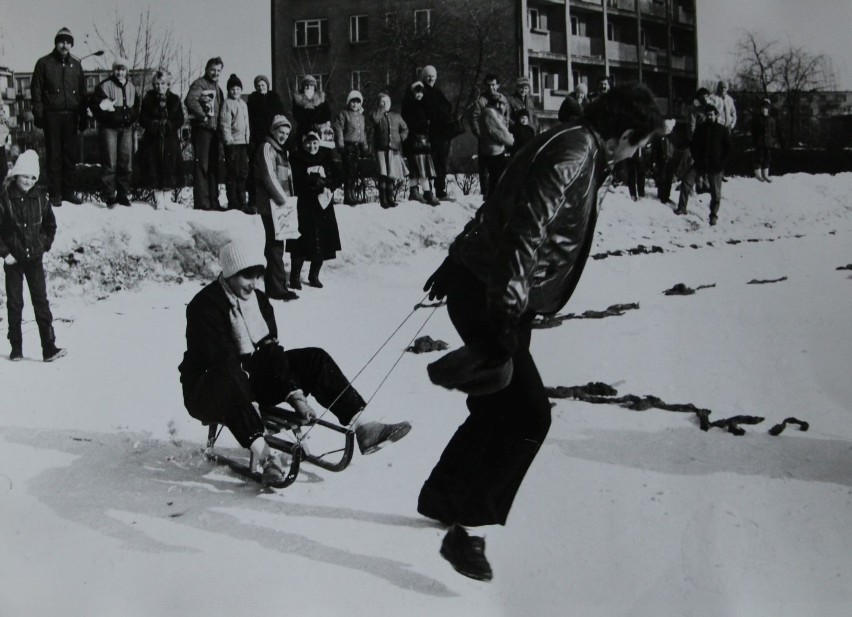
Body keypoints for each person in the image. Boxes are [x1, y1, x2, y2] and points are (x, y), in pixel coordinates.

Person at [416, 84, 664, 581]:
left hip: (492, 286)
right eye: (639, 144)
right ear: (626, 135)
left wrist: (457, 256)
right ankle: (465, 526)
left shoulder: (570, 140)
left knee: (496, 404)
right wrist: (505, 316)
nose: (637, 155)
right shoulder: (575, 151)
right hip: (495, 292)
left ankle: (443, 498)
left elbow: (502, 199)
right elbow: (524, 231)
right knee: (529, 414)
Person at [178, 238, 412, 488]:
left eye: (258, 276)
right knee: (229, 375)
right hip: (208, 388)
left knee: (314, 358)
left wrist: (295, 396)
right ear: (230, 273)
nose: (254, 284)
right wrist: (252, 405)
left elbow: (270, 352)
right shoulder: (204, 306)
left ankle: (364, 426)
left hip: (248, 379)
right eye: (247, 277)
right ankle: (266, 456)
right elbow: (222, 360)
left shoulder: (258, 301)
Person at [0, 150, 66, 362]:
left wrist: (43, 244)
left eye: (32, 177)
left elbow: (50, 225)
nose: (28, 181)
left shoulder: (41, 198)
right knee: (15, 303)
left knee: (41, 301)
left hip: (34, 259)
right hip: (14, 261)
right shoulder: (5, 199)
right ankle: (16, 347)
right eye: (24, 176)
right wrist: (5, 253)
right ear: (16, 175)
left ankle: (49, 346)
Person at [30, 27, 87, 207]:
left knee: (70, 155)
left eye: (68, 42)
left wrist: (83, 115)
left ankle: (69, 192)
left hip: (71, 116)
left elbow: (83, 93)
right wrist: (38, 113)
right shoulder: (44, 63)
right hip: (52, 116)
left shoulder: (76, 65)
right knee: (54, 155)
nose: (65, 45)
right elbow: (36, 90)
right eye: (62, 41)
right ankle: (55, 193)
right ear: (56, 43)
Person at [287, 131, 341, 290]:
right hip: (304, 205)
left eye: (315, 143)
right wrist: (308, 181)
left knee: (322, 240)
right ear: (303, 144)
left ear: (319, 143)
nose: (312, 146)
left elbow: (339, 176)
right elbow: (294, 180)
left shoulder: (326, 156)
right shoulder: (296, 157)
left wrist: (327, 183)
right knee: (301, 239)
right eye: (308, 143)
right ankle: (294, 276)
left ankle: (314, 275)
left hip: (323, 205)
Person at [254, 114, 299, 301]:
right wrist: (283, 200)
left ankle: (277, 284)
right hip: (271, 205)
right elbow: (268, 176)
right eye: (281, 132)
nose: (284, 136)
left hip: (281, 206)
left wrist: (289, 201)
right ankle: (276, 287)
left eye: (286, 133)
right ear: (273, 131)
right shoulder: (267, 148)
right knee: (275, 245)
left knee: (278, 244)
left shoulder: (281, 151)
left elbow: (288, 179)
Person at [91, 57, 139, 208]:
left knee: (126, 162)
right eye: (117, 69)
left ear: (127, 71)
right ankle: (109, 196)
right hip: (109, 129)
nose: (120, 72)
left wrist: (131, 118)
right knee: (110, 163)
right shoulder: (105, 86)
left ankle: (123, 194)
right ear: (113, 70)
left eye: (123, 69)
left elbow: (136, 106)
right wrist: (110, 117)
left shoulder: (131, 87)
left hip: (126, 129)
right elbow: (96, 106)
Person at [138, 69, 185, 210]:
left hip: (170, 140)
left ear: (168, 84)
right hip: (153, 141)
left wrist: (170, 125)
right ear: (154, 85)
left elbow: (180, 119)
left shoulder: (175, 99)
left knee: (169, 167)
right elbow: (142, 118)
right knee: (154, 167)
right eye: (157, 84)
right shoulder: (148, 99)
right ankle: (159, 200)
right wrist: (153, 124)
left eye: (163, 84)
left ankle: (168, 200)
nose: (160, 87)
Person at [676, 105, 731, 225]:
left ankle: (713, 215)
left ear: (716, 115)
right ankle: (681, 208)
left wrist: (721, 164)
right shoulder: (700, 129)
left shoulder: (722, 130)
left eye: (712, 114)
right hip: (700, 163)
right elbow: (693, 145)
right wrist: (697, 158)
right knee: (686, 182)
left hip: (715, 166)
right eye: (708, 115)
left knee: (716, 194)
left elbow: (728, 149)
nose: (710, 116)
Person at [185, 57, 225, 210]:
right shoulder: (200, 83)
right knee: (203, 165)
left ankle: (214, 201)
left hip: (214, 132)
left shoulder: (217, 87)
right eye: (213, 70)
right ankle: (203, 203)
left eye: (218, 70)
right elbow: (190, 100)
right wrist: (203, 115)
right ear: (207, 69)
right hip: (202, 130)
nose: (215, 73)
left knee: (214, 166)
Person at [247, 75, 284, 211]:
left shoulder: (274, 99)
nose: (260, 88)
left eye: (263, 85)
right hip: (257, 138)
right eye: (258, 86)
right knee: (256, 170)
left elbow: (281, 117)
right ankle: (254, 201)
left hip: (272, 137)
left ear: (267, 86)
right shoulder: (252, 100)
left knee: (273, 168)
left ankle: (275, 197)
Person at [420, 65, 458, 202]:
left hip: (440, 133)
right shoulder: (421, 92)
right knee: (429, 162)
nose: (430, 78)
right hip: (428, 133)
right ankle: (427, 192)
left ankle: (440, 191)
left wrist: (440, 111)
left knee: (440, 162)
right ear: (424, 77)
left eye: (433, 76)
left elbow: (448, 106)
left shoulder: (437, 92)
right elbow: (427, 110)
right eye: (428, 76)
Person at [469, 75, 509, 198]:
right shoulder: (482, 101)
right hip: (486, 141)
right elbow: (473, 117)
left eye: (493, 84)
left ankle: (498, 192)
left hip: (500, 140)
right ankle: (486, 194)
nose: (491, 87)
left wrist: (505, 133)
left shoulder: (503, 99)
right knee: (485, 169)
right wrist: (479, 134)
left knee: (500, 168)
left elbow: (507, 117)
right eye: (488, 85)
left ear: (498, 85)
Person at [401, 81, 439, 206]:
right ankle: (426, 192)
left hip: (422, 141)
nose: (419, 94)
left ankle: (416, 191)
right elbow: (409, 124)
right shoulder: (409, 106)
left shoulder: (424, 105)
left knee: (419, 168)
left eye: (421, 92)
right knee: (420, 168)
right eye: (417, 92)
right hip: (414, 141)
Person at [370, 92, 409, 209]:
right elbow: (374, 119)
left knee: (391, 174)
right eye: (382, 102)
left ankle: (390, 197)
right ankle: (383, 199)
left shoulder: (396, 116)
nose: (385, 104)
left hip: (394, 149)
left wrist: (401, 137)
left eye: (387, 102)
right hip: (381, 149)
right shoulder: (377, 115)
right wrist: (381, 109)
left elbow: (405, 128)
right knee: (383, 173)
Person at [220, 74, 251, 212]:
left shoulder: (243, 103)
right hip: (233, 143)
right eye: (232, 89)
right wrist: (228, 141)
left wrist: (248, 139)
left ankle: (242, 201)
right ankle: (233, 202)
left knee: (243, 172)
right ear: (228, 91)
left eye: (238, 89)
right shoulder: (227, 103)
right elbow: (225, 124)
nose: (235, 91)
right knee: (233, 172)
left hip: (243, 142)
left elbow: (246, 123)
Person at [332, 90, 368, 206]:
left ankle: (352, 194)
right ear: (348, 102)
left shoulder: (361, 117)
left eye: (358, 102)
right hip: (348, 146)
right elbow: (338, 129)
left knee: (354, 171)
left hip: (357, 147)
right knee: (349, 171)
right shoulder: (344, 114)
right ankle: (348, 196)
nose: (355, 105)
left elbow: (363, 132)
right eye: (353, 102)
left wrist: (365, 145)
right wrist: (341, 144)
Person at [477, 92, 513, 197]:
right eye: (502, 104)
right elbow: (500, 132)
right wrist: (511, 140)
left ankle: (492, 202)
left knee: (495, 178)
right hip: (494, 151)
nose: (504, 107)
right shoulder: (490, 113)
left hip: (492, 149)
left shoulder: (491, 113)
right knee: (497, 178)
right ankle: (492, 204)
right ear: (497, 104)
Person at [291, 75, 332, 148]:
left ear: (314, 87)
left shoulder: (321, 98)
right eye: (306, 85)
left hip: (319, 130)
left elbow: (327, 115)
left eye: (311, 85)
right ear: (303, 87)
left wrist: (314, 119)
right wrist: (314, 116)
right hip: (303, 130)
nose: (308, 87)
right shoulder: (297, 99)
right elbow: (297, 115)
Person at [750, 98, 782, 182]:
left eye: (766, 108)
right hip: (759, 142)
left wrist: (773, 141)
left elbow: (773, 132)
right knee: (759, 157)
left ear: (768, 109)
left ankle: (766, 175)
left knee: (767, 158)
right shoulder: (757, 119)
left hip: (768, 142)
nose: (764, 110)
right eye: (763, 108)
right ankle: (758, 175)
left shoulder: (771, 120)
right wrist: (754, 141)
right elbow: (754, 131)